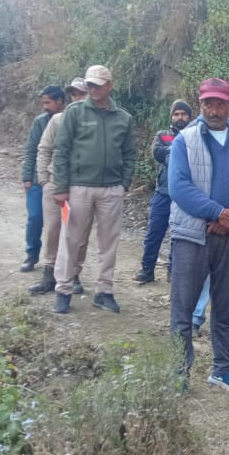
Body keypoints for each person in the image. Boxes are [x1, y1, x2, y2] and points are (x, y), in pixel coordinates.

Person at [168, 78, 229, 393]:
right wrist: (218, 212)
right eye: (207, 103)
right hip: (193, 237)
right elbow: (179, 187)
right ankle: (178, 374)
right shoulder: (185, 141)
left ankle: (222, 369)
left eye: (219, 103)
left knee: (224, 308)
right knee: (183, 308)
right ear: (200, 104)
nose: (213, 110)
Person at [51, 65, 137, 315]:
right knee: (71, 239)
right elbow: (61, 150)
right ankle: (63, 290)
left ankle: (104, 291)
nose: (93, 89)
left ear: (110, 85)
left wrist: (124, 183)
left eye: (98, 85)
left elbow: (130, 154)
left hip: (111, 189)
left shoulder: (123, 118)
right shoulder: (75, 112)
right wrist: (61, 187)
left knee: (109, 243)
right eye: (90, 85)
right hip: (79, 187)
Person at [30, 78, 89, 296]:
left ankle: (74, 274)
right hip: (55, 183)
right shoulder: (57, 120)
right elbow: (44, 149)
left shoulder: (96, 122)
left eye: (82, 93)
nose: (78, 98)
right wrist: (45, 180)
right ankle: (49, 273)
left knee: (79, 232)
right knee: (53, 228)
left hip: (83, 184)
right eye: (74, 94)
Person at [133, 100, 193, 284]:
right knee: (154, 232)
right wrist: (177, 151)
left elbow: (191, 156)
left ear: (189, 116)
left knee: (178, 234)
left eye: (183, 114)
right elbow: (157, 153)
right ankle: (147, 270)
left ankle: (173, 271)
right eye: (176, 114)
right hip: (163, 192)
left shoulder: (195, 136)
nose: (180, 117)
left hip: (184, 195)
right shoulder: (162, 134)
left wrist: (171, 152)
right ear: (171, 116)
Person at [20, 85, 66, 272]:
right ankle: (32, 255)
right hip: (38, 179)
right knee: (35, 218)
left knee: (58, 224)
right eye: (43, 103)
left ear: (60, 101)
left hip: (60, 181)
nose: (44, 107)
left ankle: (58, 262)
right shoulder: (40, 121)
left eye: (48, 102)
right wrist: (27, 177)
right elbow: (32, 149)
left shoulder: (71, 119)